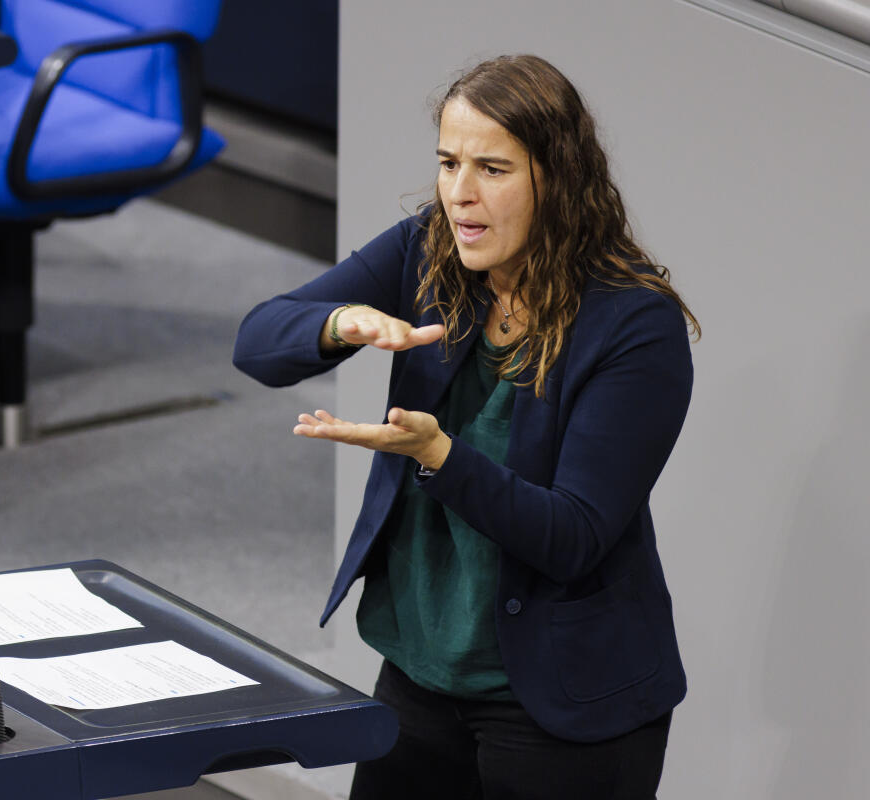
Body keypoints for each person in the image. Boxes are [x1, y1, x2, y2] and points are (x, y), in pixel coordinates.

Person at [232, 54, 699, 799]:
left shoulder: (634, 325)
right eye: (448, 163)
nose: (459, 194)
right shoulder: (428, 249)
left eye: (492, 168)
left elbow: (572, 535)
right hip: (421, 675)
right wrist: (340, 321)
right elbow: (258, 340)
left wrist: (439, 455)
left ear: (558, 178)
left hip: (562, 703)